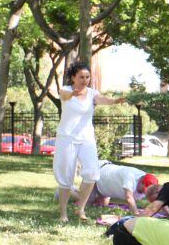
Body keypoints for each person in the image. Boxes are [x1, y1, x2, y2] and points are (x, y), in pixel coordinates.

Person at [53, 62, 126, 223]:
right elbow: (64, 97)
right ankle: (63, 214)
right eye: (81, 77)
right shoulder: (65, 90)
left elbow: (103, 99)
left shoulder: (92, 93)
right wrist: (72, 94)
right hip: (67, 138)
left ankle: (80, 208)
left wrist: (115, 101)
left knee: (92, 173)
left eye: (87, 77)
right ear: (73, 77)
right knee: (65, 177)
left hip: (86, 139)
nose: (85, 80)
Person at [90, 162, 158, 213]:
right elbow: (129, 198)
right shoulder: (130, 176)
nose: (144, 193)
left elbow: (157, 199)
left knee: (102, 206)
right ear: (141, 182)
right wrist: (136, 214)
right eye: (144, 190)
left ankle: (97, 198)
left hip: (106, 185)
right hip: (96, 172)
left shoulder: (146, 179)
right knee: (88, 204)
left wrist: (165, 212)